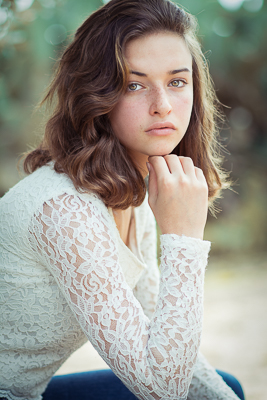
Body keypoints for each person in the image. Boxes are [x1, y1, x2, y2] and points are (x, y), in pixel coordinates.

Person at [0, 0, 245, 399]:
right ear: (97, 96)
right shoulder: (63, 210)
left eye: (177, 82)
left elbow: (157, 327)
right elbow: (162, 390)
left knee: (225, 389)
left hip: (29, 391)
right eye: (135, 84)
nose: (163, 104)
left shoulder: (128, 188)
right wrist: (183, 240)